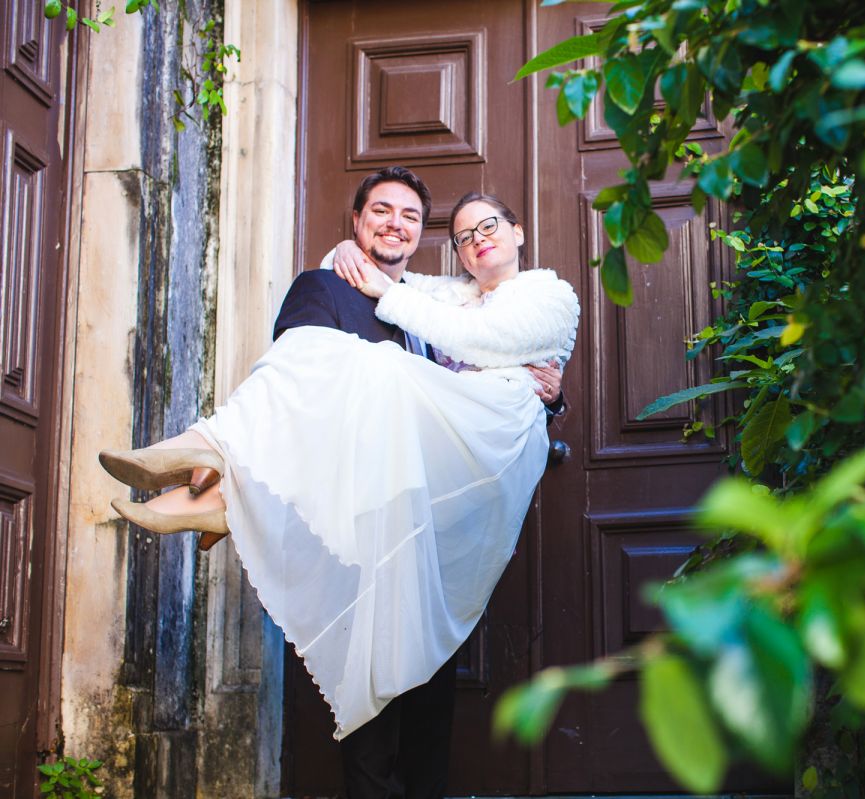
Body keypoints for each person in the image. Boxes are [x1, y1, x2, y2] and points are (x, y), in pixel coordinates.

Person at [97, 168, 579, 799]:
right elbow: (355, 304)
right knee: (375, 680)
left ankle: (221, 473)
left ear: (517, 231)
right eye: (462, 236)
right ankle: (219, 471)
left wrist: (553, 400)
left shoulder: (542, 295)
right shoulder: (427, 292)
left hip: (462, 481)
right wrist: (346, 256)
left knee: (427, 693)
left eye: (488, 226)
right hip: (385, 502)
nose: (476, 240)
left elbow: (467, 335)